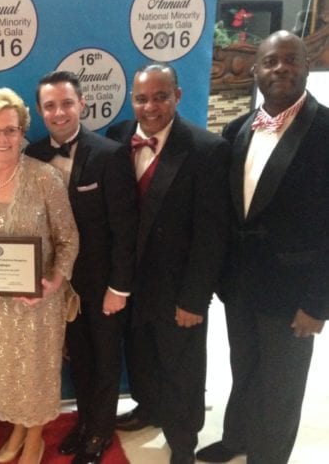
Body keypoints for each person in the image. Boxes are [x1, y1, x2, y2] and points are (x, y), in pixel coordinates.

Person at [196, 31, 329, 464]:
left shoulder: (326, 131)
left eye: (291, 60)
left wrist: (318, 303)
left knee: (282, 386)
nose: (281, 68)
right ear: (256, 70)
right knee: (246, 369)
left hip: (295, 295)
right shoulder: (237, 130)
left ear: (307, 67)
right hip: (241, 287)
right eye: (271, 61)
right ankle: (238, 440)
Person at [106, 63, 230, 464]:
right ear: (132, 100)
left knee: (182, 368)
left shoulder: (206, 149)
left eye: (161, 96)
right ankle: (148, 408)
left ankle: (182, 441)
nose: (151, 106)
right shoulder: (118, 136)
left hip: (178, 289)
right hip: (130, 282)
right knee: (141, 355)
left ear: (177, 96)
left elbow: (212, 235)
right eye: (142, 98)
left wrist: (195, 300)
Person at [0, 87, 78, 464]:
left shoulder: (45, 178)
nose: (1, 139)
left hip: (37, 304)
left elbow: (68, 239)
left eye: (10, 130)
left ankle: (34, 438)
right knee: (6, 376)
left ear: (23, 131)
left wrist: (55, 282)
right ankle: (19, 428)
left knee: (36, 377)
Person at [25, 71, 138, 464]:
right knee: (80, 360)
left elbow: (126, 229)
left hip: (102, 283)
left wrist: (119, 288)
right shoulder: (32, 156)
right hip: (59, 285)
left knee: (106, 360)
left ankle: (101, 432)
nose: (59, 112)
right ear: (40, 111)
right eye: (50, 105)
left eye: (66, 103)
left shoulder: (109, 154)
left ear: (82, 104)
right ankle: (85, 422)